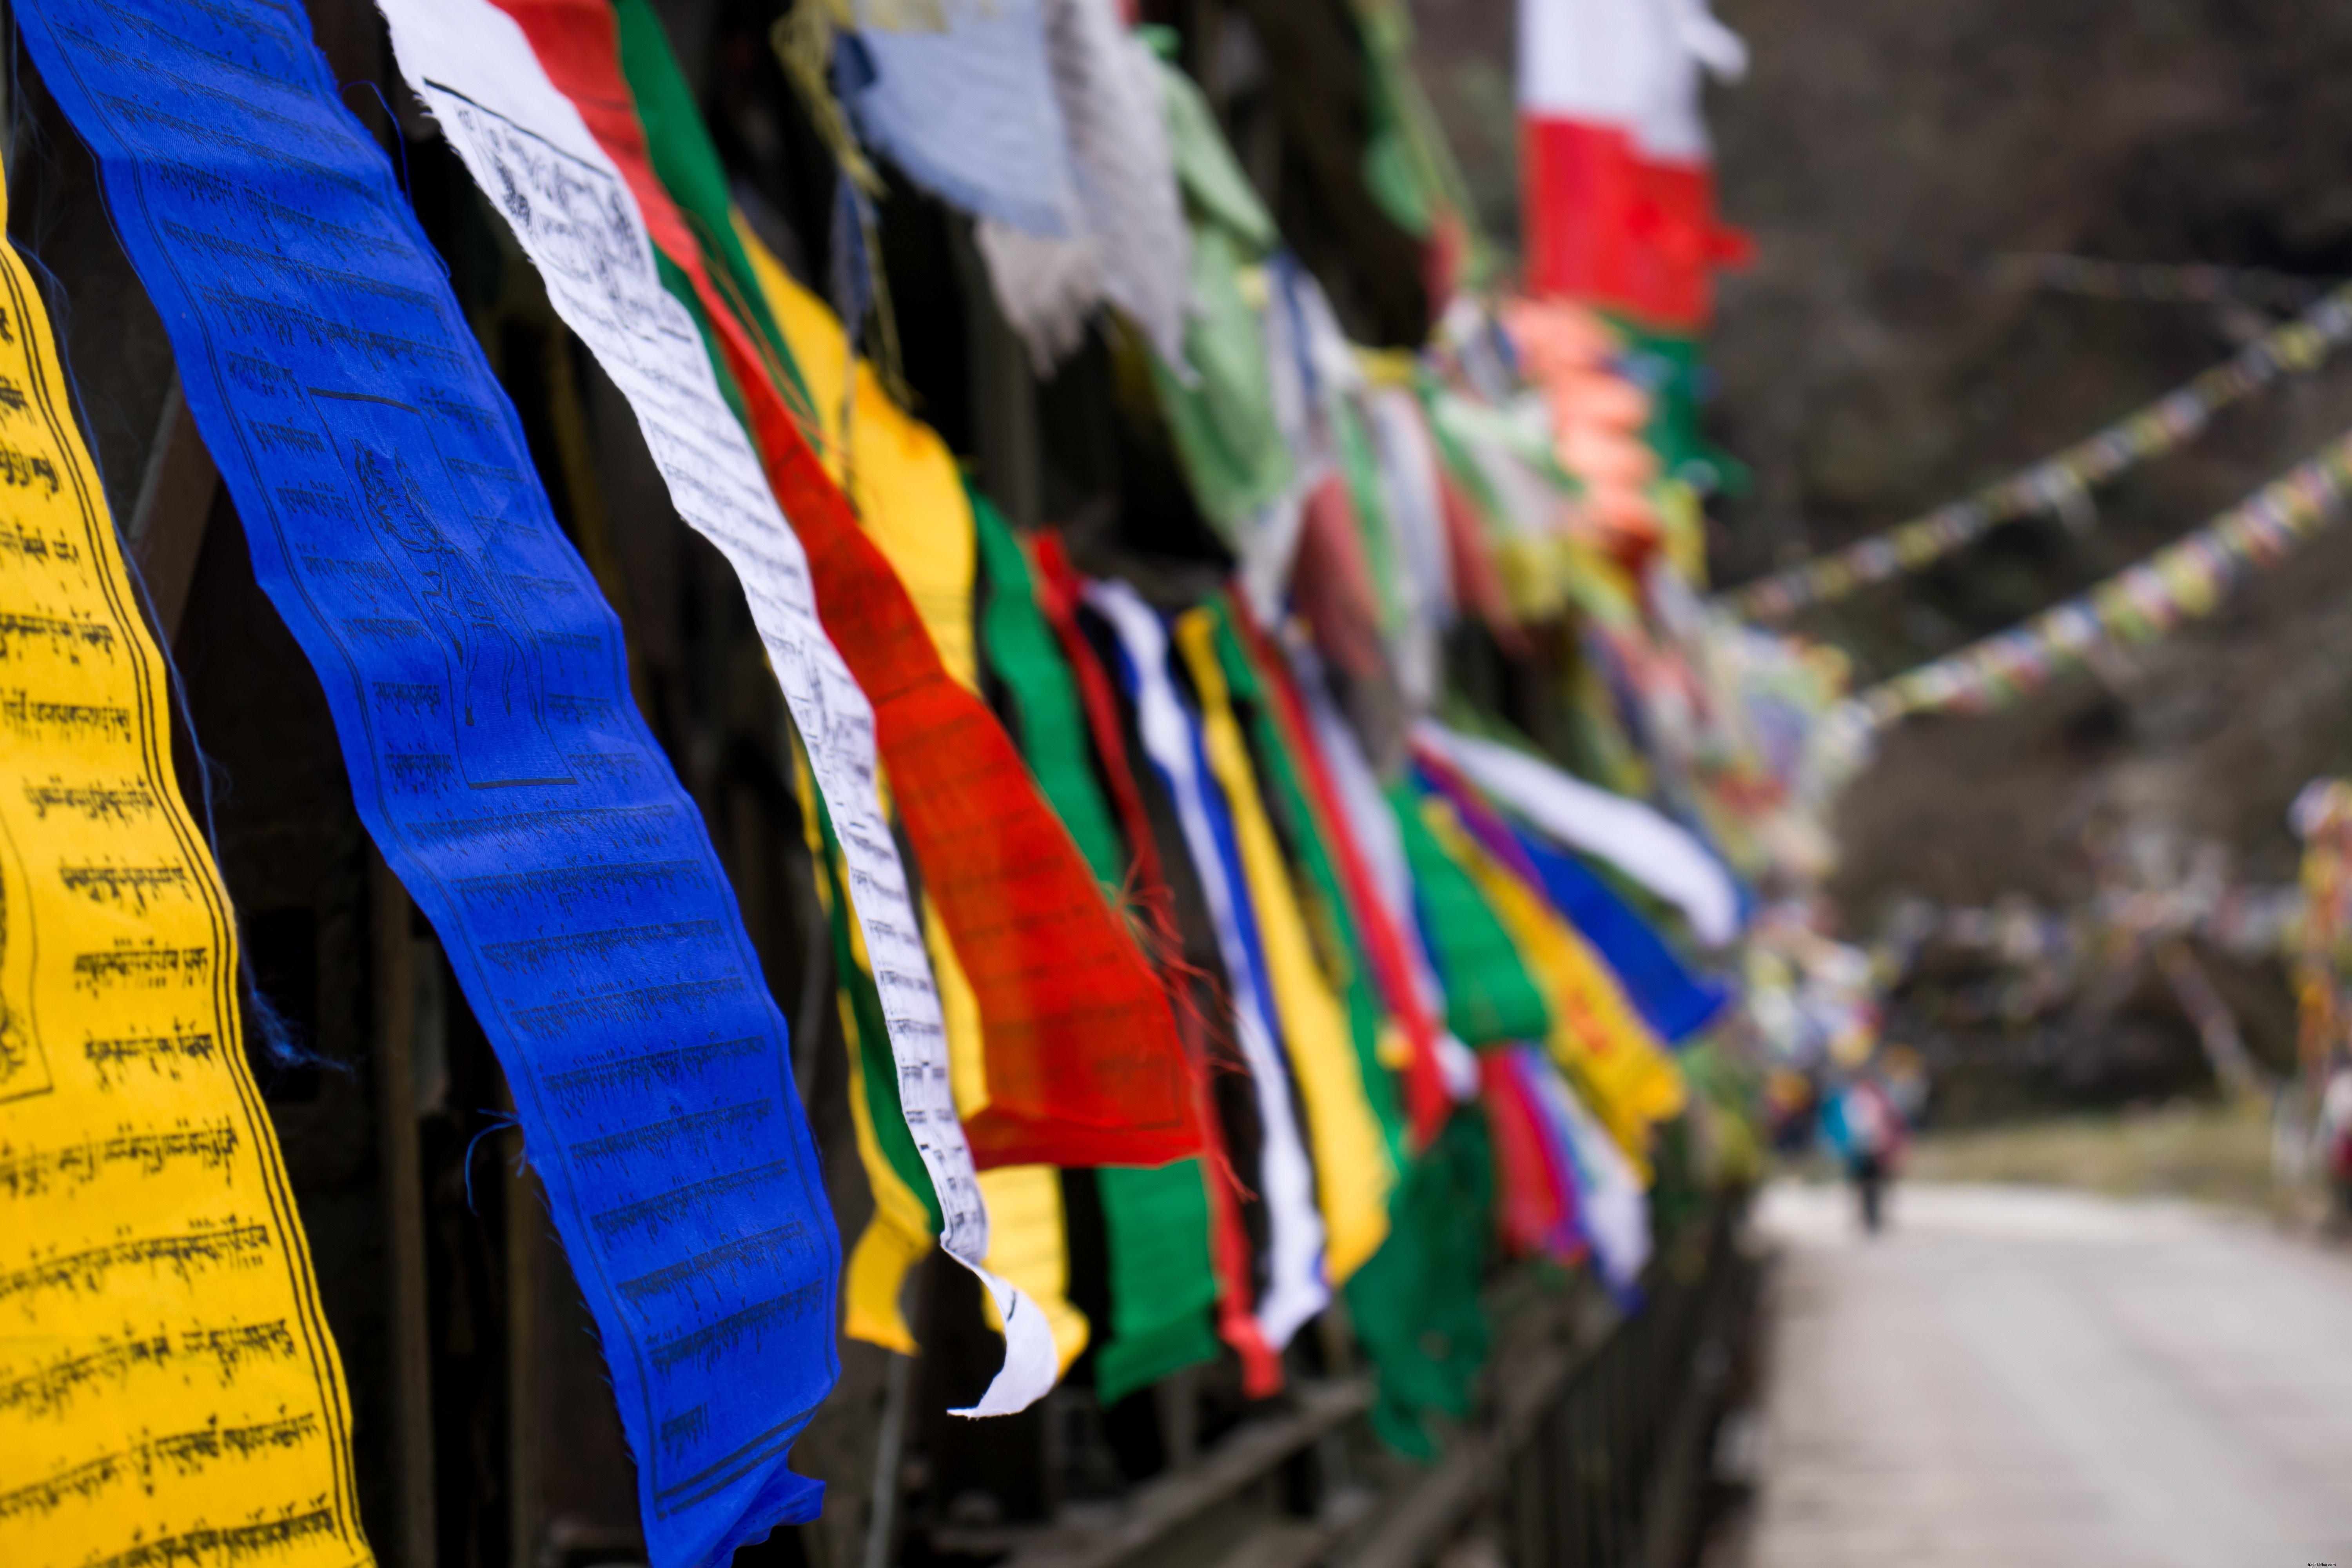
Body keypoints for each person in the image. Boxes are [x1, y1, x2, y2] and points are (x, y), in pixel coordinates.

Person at [1820, 1073, 1905, 1233]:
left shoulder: (1879, 1099)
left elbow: (1894, 1123)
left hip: (1876, 1148)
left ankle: (1873, 1218)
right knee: (1862, 1184)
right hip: (1857, 1150)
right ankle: (1867, 1217)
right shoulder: (1848, 1099)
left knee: (1874, 1185)